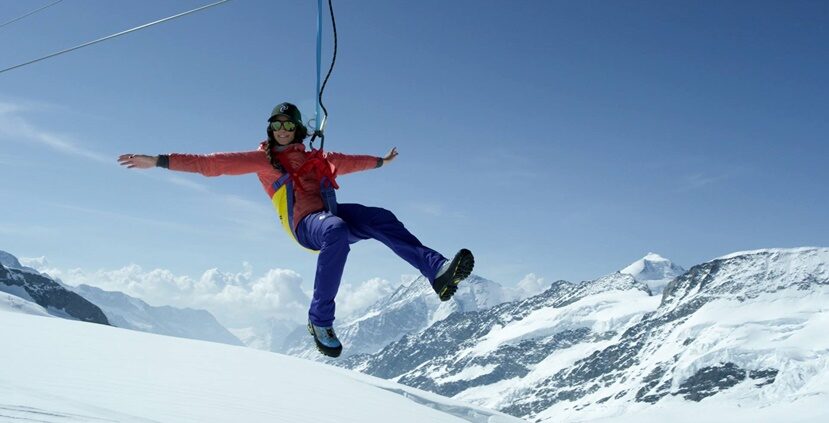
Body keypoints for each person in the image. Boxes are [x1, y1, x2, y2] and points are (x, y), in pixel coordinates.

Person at [118, 102, 474, 357]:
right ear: (270, 130)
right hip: (308, 226)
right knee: (335, 228)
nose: (282, 130)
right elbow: (212, 165)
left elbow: (350, 162)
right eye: (276, 126)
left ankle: (438, 272)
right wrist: (160, 161)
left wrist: (382, 161)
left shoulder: (317, 159)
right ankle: (319, 322)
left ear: (298, 129)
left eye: (288, 125)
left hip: (331, 216)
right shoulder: (264, 160)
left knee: (380, 216)